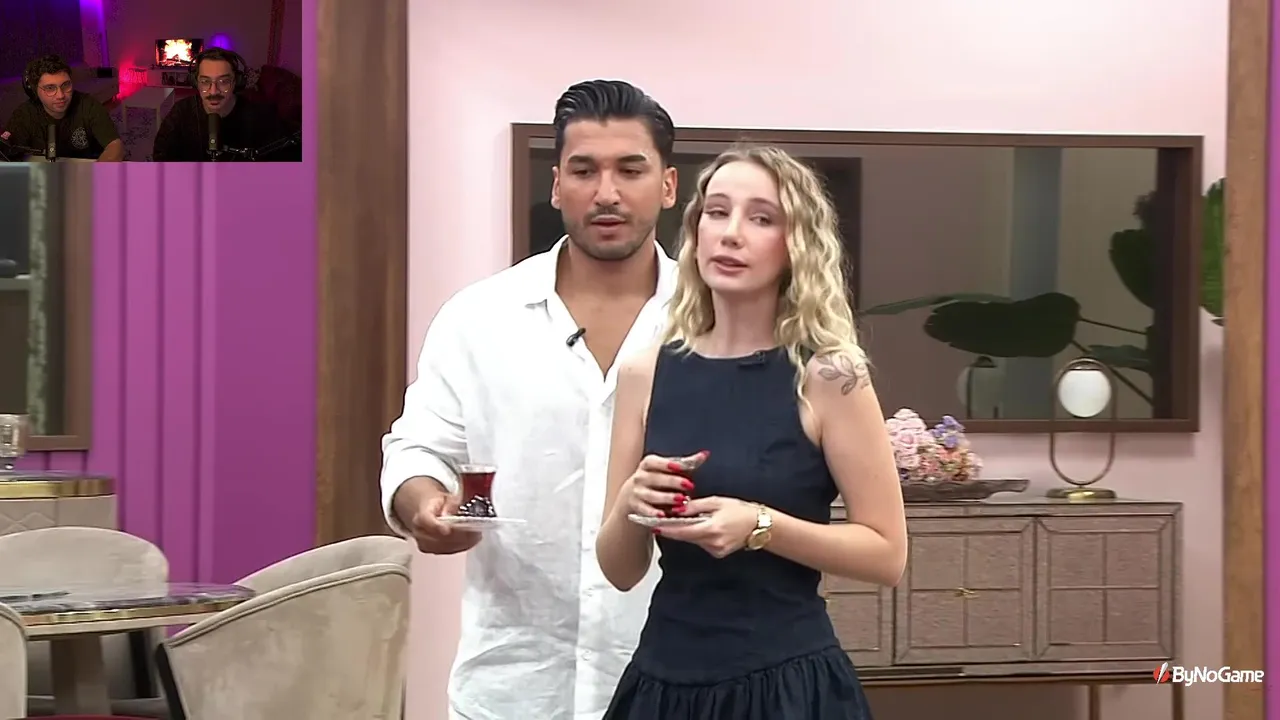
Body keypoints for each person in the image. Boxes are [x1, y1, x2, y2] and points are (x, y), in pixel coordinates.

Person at [380, 79, 679, 720]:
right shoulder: (480, 317)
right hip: (512, 686)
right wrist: (425, 506)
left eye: (630, 170)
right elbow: (418, 449)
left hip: (672, 682)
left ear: (668, 185)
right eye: (584, 170)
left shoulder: (710, 326)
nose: (606, 192)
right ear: (556, 185)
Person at [596, 146, 909, 719]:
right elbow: (620, 570)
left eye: (761, 218)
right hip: (664, 684)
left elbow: (887, 555)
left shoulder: (829, 377)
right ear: (696, 232)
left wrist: (761, 527)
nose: (731, 234)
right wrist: (627, 505)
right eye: (717, 212)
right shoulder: (645, 373)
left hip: (785, 687)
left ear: (795, 246)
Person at [152, 48, 294, 161]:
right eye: (205, 81)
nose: (213, 91)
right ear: (196, 83)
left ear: (236, 82)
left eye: (224, 81)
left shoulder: (262, 118)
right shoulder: (180, 112)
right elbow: (161, 157)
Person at [1, 55, 123, 161]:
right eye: (50, 88)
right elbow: (6, 153)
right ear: (35, 91)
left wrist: (97, 173)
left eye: (65, 85)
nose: (61, 95)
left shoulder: (88, 104)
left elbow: (115, 145)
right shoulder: (24, 114)